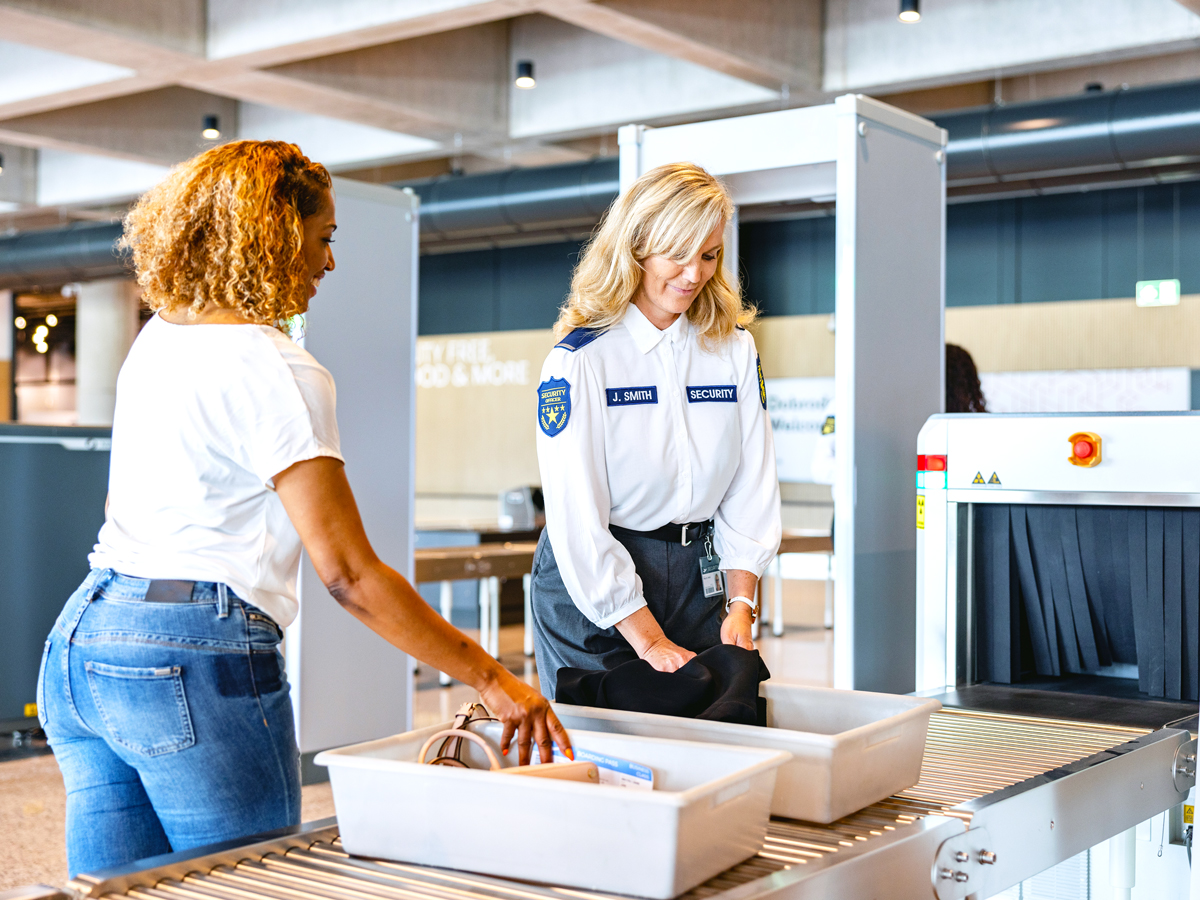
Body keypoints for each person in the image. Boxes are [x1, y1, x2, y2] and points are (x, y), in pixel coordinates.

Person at [36, 141, 570, 878]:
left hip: (84, 638)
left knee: (117, 891)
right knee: (251, 881)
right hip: (192, 655)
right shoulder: (278, 367)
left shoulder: (156, 341)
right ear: (277, 236)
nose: (329, 262)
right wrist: (488, 675)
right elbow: (348, 574)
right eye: (323, 238)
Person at [530, 162, 782, 700]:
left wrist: (741, 602)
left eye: (709, 256)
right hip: (594, 576)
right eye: (677, 255)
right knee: (608, 739)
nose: (694, 274)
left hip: (696, 576)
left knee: (704, 733)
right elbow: (576, 515)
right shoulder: (582, 359)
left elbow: (752, 483)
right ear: (637, 247)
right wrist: (646, 639)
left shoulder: (733, 350)